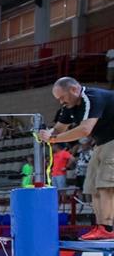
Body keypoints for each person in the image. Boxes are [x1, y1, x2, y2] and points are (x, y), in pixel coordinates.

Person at [42, 77, 114, 241]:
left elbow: (84, 130)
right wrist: (46, 133)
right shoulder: (69, 105)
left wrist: (53, 139)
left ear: (74, 90)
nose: (61, 102)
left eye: (62, 97)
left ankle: (108, 228)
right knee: (93, 187)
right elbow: (58, 128)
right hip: (102, 143)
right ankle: (101, 227)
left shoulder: (92, 97)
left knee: (106, 186)